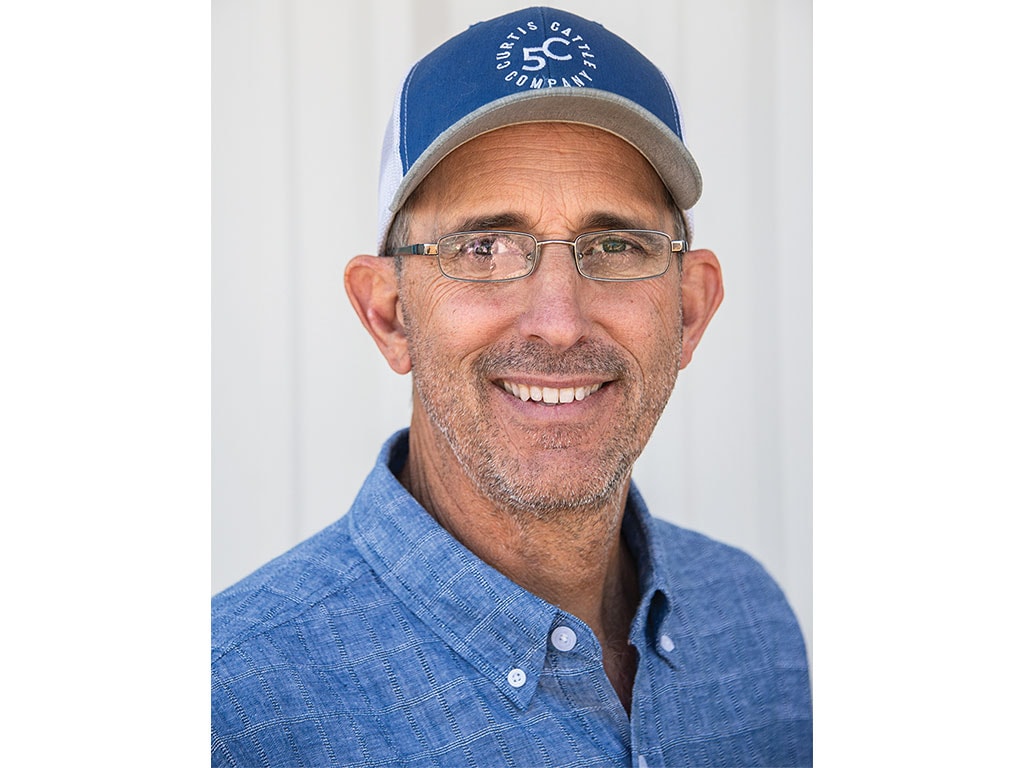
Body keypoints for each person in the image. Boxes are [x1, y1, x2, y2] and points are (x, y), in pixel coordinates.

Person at [211, 6, 812, 766]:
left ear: (689, 309)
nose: (558, 323)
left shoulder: (752, 628)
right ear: (388, 315)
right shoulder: (232, 709)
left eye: (616, 244)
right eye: (485, 246)